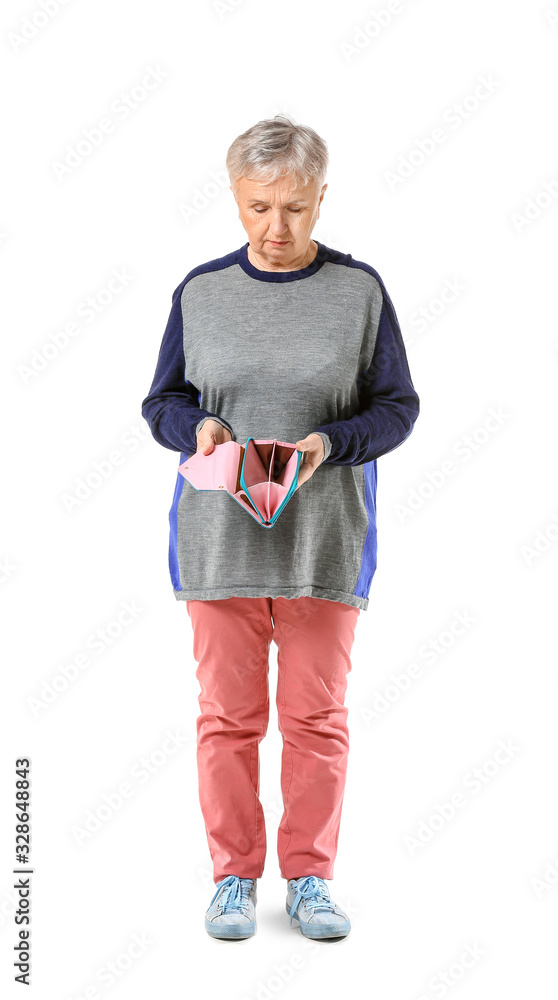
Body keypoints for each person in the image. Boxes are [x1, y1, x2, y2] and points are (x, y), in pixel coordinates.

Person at [141, 114, 420, 941]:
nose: (275, 227)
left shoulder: (360, 292)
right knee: (226, 721)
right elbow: (162, 400)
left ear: (321, 198)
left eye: (294, 208)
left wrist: (333, 442)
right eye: (259, 206)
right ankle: (233, 877)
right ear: (235, 199)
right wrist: (193, 431)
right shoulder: (200, 292)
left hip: (324, 544)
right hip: (220, 541)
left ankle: (309, 878)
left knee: (316, 720)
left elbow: (398, 408)